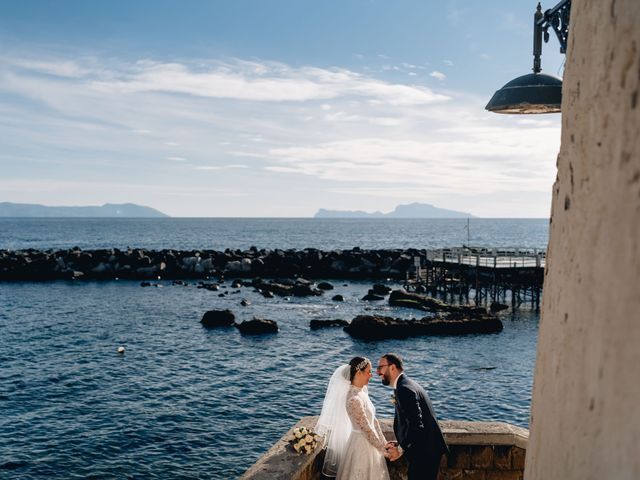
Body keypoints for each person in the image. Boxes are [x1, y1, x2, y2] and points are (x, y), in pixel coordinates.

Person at [316, 357, 390, 480]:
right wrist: (384, 451)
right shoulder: (353, 400)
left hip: (372, 445)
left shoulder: (363, 391)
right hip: (360, 447)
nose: (371, 375)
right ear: (359, 372)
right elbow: (366, 429)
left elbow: (374, 421)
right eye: (369, 372)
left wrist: (385, 443)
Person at [378, 353, 448, 480]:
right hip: (426, 450)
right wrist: (400, 441)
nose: (378, 373)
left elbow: (416, 425)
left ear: (392, 367)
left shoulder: (404, 388)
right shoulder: (405, 384)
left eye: (380, 368)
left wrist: (400, 449)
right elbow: (410, 422)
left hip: (425, 453)